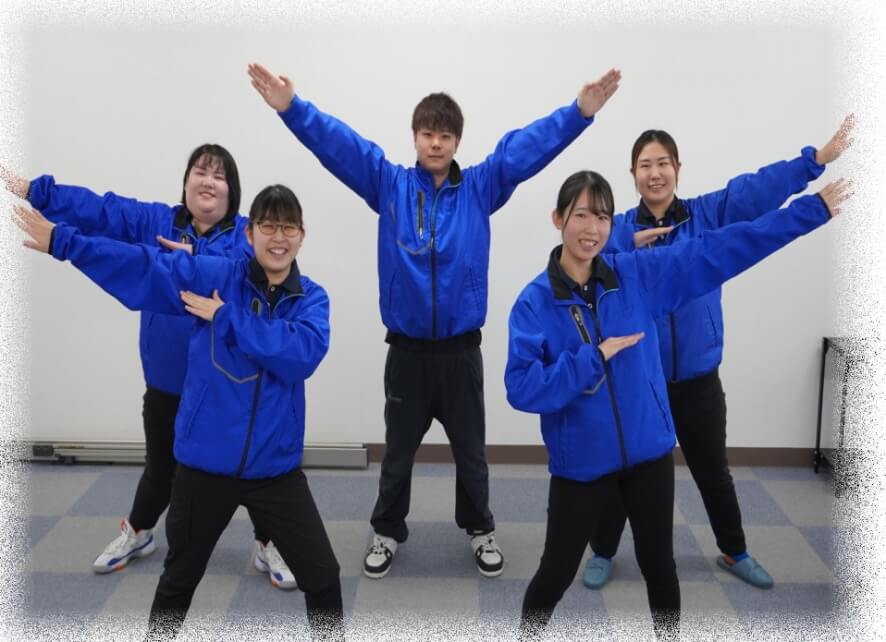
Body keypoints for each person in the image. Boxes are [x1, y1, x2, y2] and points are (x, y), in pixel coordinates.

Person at [247, 61, 621, 579]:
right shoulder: (389, 185)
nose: (436, 143)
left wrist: (579, 113)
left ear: (457, 141)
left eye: (445, 135)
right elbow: (340, 146)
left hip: (461, 352)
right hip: (407, 353)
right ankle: (386, 531)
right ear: (415, 137)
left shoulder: (480, 188)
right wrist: (292, 108)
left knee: (471, 454)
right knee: (397, 455)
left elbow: (524, 150)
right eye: (428, 134)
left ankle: (480, 529)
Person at [505, 170, 851, 639]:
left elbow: (721, 250)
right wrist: (592, 360)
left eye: (603, 217)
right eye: (581, 215)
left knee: (660, 567)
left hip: (648, 454)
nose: (592, 228)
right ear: (558, 219)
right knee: (555, 573)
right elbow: (522, 387)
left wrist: (809, 212)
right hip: (581, 464)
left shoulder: (636, 276)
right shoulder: (534, 302)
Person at [13, 185, 344, 641]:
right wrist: (64, 243)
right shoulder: (217, 276)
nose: (279, 237)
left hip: (275, 471)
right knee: (178, 582)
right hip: (204, 466)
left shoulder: (312, 299)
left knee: (324, 577)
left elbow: (299, 355)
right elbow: (146, 267)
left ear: (302, 235)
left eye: (288, 227)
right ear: (250, 233)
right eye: (268, 226)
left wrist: (226, 318)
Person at [1, 148, 298, 588]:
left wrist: (194, 257)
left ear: (232, 190)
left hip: (225, 387)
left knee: (249, 467)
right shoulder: (157, 222)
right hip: (167, 380)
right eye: (200, 171)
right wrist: (35, 191)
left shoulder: (245, 237)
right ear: (186, 181)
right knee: (161, 465)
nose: (208, 181)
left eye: (219, 176)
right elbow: (102, 210)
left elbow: (257, 272)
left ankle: (268, 540)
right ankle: (139, 532)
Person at [583, 115, 855, 591]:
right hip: (640, 381)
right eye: (645, 165)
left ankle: (735, 550)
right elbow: (585, 264)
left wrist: (814, 161)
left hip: (698, 380)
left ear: (677, 168)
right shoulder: (618, 230)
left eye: (663, 163)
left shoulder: (706, 216)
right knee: (625, 472)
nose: (654, 173)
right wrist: (619, 242)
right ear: (632, 174)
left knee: (713, 472)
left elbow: (755, 192)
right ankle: (602, 551)